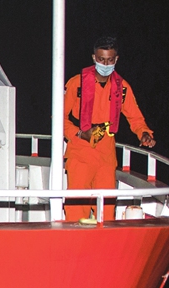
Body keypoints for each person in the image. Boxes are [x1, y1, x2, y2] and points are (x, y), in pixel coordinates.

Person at [63, 36, 156, 222]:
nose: (105, 64)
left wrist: (144, 133)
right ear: (94, 58)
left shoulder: (122, 88)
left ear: (116, 59)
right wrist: (79, 133)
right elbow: (58, 118)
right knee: (76, 208)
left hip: (106, 154)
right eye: (101, 59)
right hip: (80, 152)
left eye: (110, 60)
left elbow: (135, 118)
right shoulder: (76, 83)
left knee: (106, 209)